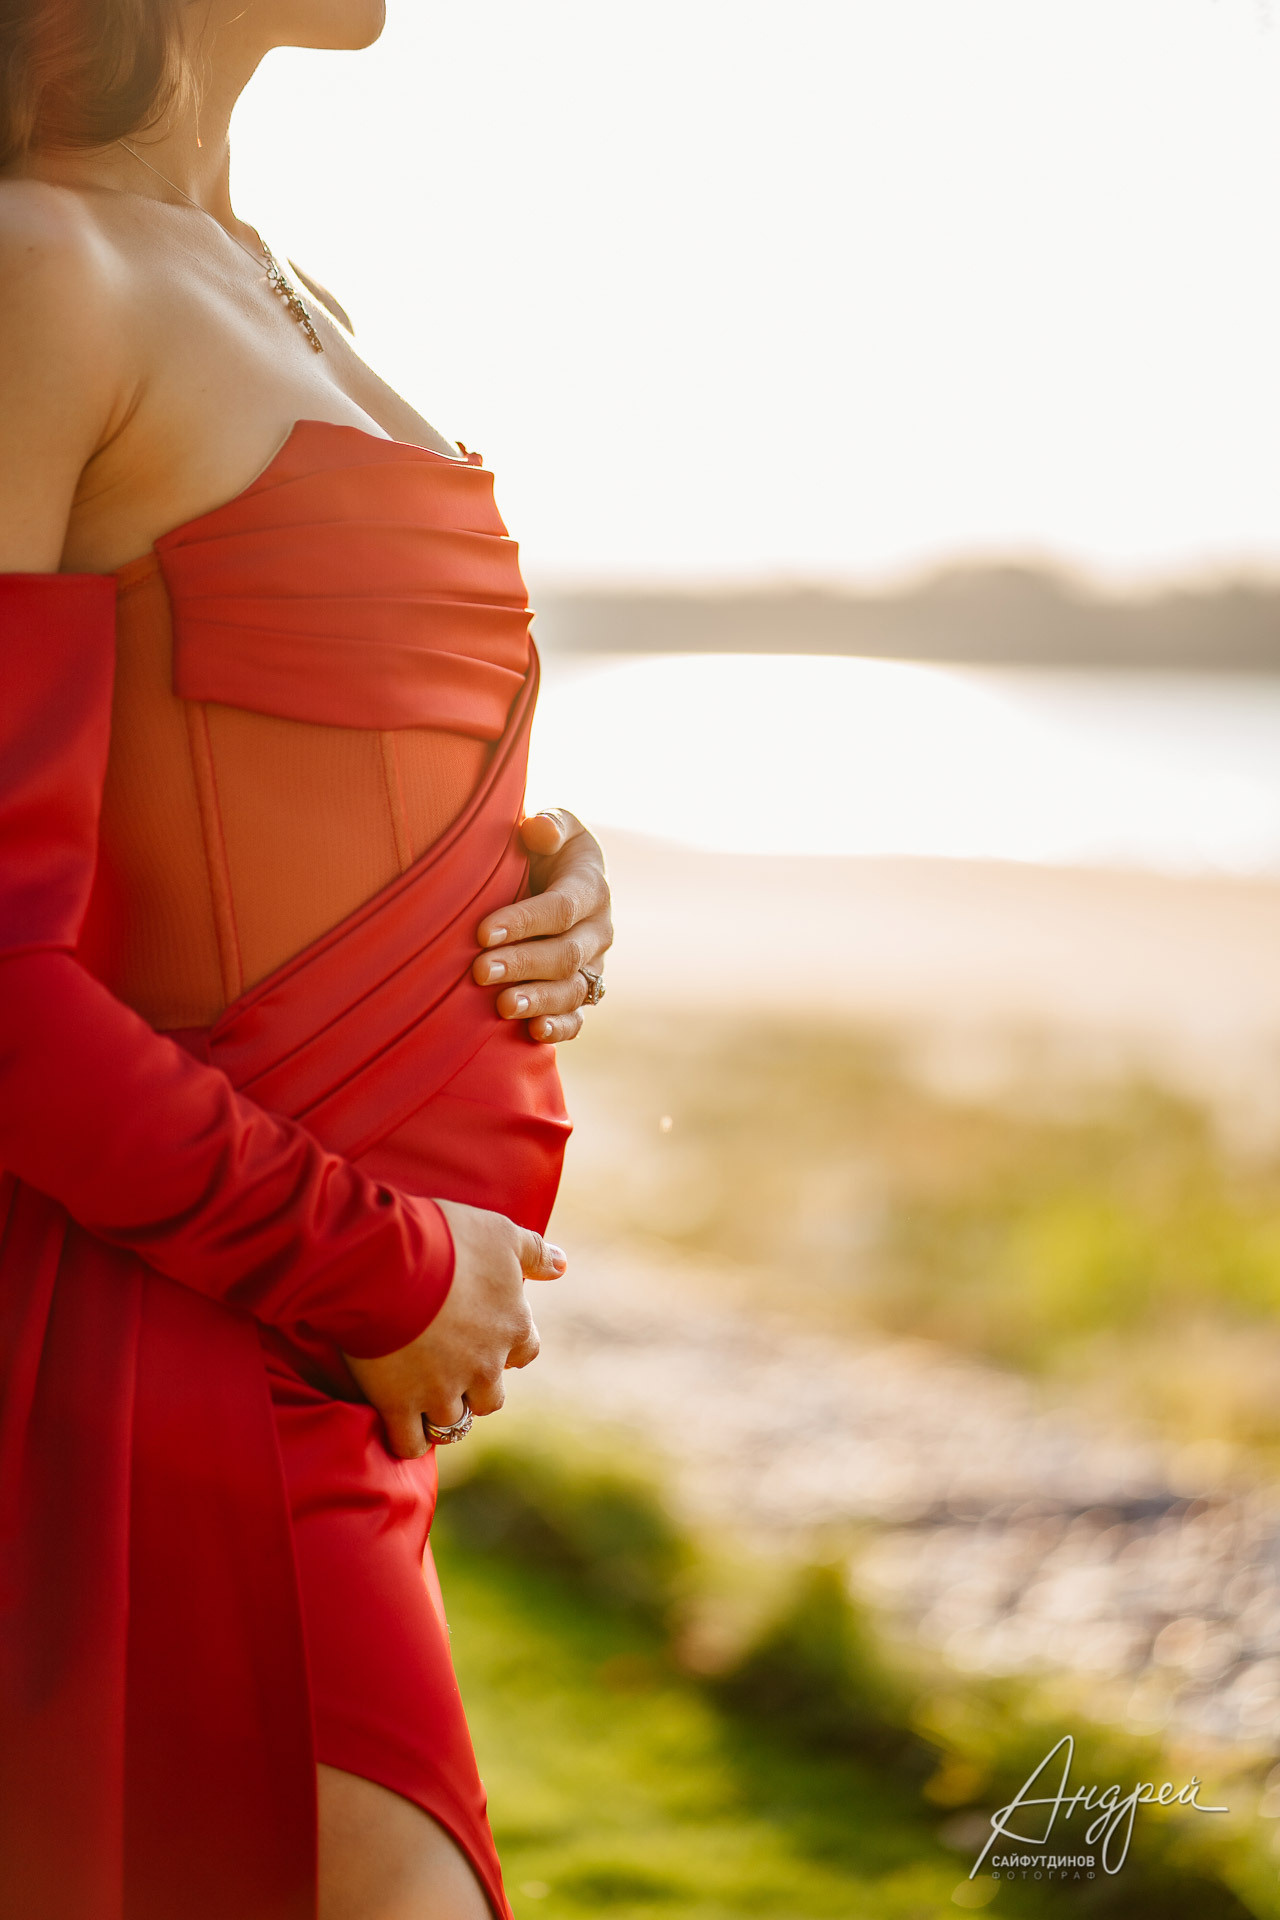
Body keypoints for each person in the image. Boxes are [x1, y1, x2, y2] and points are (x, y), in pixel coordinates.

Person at [0, 3, 613, 1916]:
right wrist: (375, 1261)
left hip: (326, 1378)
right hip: (168, 1366)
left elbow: (271, 761)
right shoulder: (40, 269)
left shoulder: (278, 280)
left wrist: (536, 871)